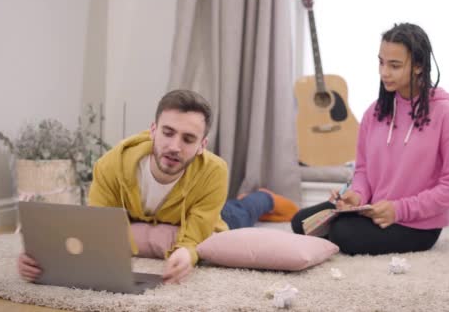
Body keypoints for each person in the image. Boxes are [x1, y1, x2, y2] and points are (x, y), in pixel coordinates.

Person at [18, 89, 299, 284]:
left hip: (201, 214)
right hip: (144, 216)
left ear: (202, 146)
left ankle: (264, 197)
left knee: (239, 213)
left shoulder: (214, 171)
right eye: (167, 133)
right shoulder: (110, 165)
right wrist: (43, 259)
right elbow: (96, 229)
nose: (174, 147)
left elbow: (193, 240)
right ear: (153, 130)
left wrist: (186, 253)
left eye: (188, 139)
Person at [291, 23, 449, 255]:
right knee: (301, 222)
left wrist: (399, 209)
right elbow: (363, 171)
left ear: (418, 66)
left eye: (394, 65)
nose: (384, 72)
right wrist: (356, 196)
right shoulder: (375, 112)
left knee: (342, 233)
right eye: (381, 62)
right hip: (372, 209)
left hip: (417, 224)